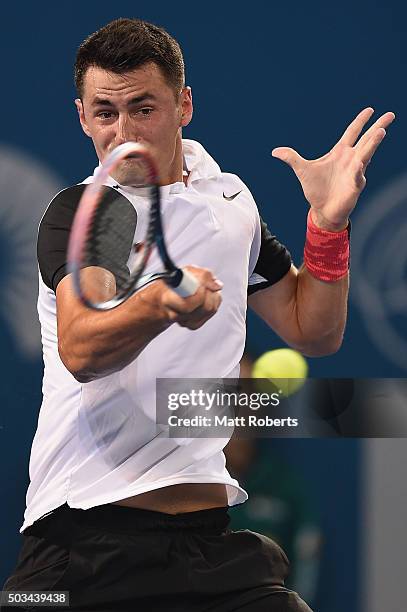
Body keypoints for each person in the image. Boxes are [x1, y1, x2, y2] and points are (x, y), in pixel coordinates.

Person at [1, 17, 394, 612]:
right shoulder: (91, 209)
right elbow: (81, 348)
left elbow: (312, 328)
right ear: (82, 117)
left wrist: (328, 227)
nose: (124, 131)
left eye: (143, 108)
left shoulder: (228, 198)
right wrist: (157, 304)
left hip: (208, 545)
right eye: (105, 112)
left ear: (184, 105)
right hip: (83, 548)